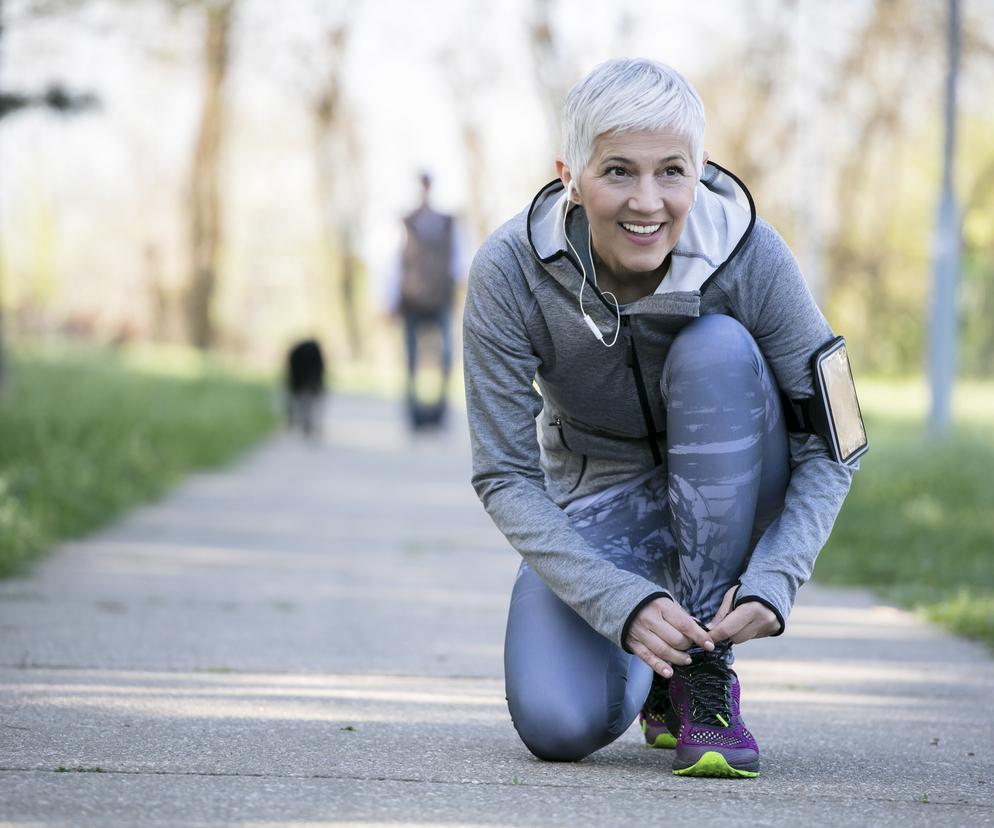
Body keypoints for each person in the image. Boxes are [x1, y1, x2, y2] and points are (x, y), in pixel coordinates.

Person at [463, 59, 858, 779]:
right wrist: (619, 602)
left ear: (699, 171)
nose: (647, 202)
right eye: (618, 171)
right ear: (570, 177)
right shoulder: (509, 271)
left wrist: (778, 575)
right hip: (601, 500)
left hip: (740, 481)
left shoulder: (752, 255)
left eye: (671, 172)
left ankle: (704, 671)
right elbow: (504, 475)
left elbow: (837, 442)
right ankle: (659, 671)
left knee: (717, 348)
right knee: (557, 723)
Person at [393, 173, 462, 431]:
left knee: (446, 356)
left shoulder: (448, 223)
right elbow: (394, 262)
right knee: (411, 358)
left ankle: (441, 410)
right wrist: (390, 298)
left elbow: (458, 261)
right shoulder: (406, 222)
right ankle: (413, 412)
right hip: (411, 299)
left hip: (441, 298)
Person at [285, 338, 326, 438]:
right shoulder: (312, 352)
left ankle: (301, 420)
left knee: (302, 401)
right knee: (308, 401)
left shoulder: (297, 352)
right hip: (305, 380)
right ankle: (305, 422)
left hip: (302, 380)